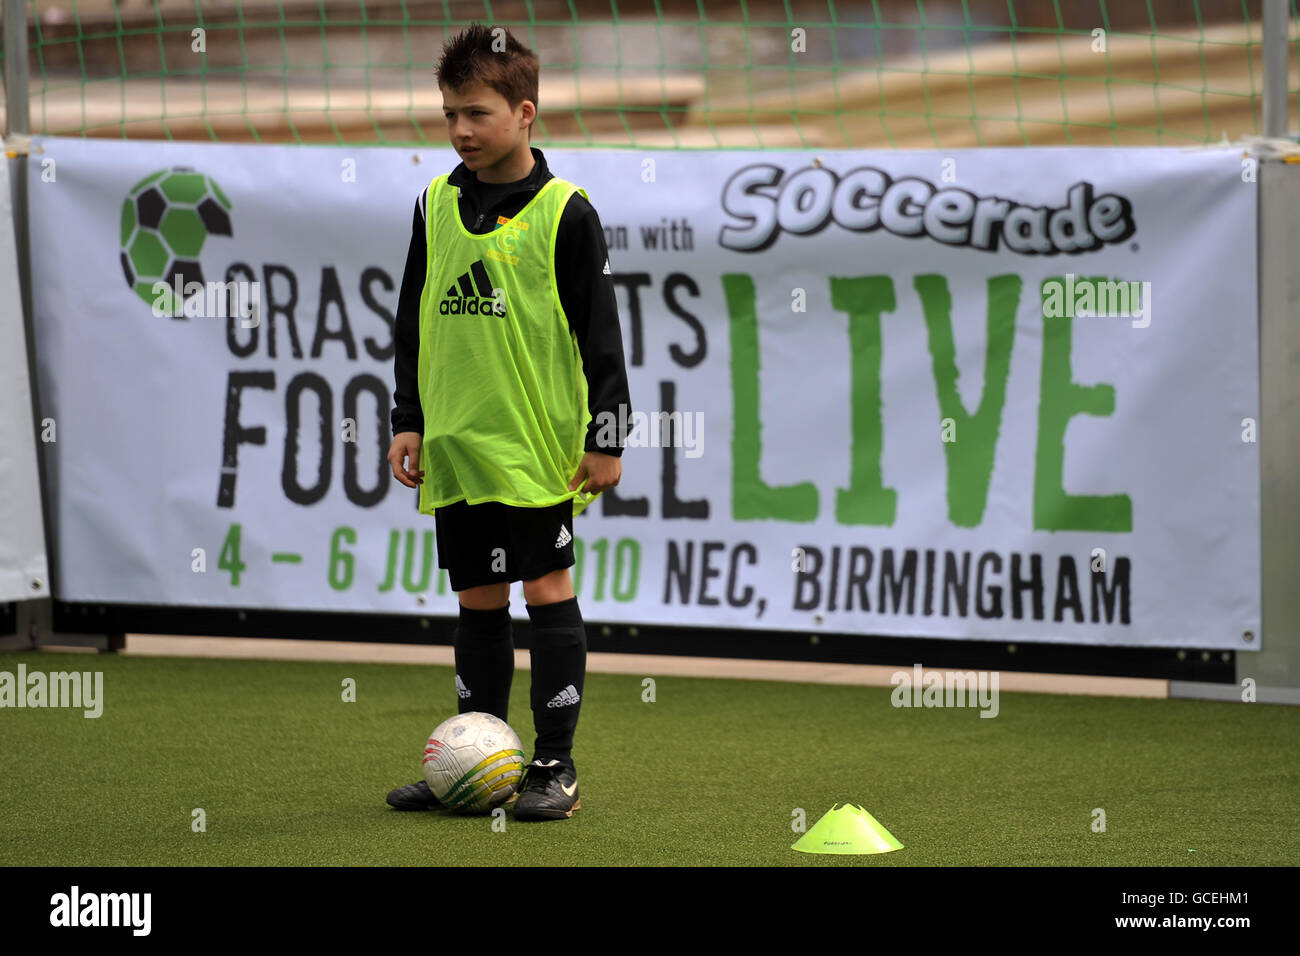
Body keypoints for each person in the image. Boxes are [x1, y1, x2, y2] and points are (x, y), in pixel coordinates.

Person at [385, 23, 631, 821]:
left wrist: (607, 435)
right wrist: (409, 417)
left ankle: (554, 767)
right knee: (478, 601)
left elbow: (602, 332)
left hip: (533, 449)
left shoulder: (566, 212)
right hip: (457, 447)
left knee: (545, 588)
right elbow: (412, 321)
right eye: (451, 113)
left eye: (478, 114)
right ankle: (477, 760)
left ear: (525, 114)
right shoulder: (433, 204)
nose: (460, 130)